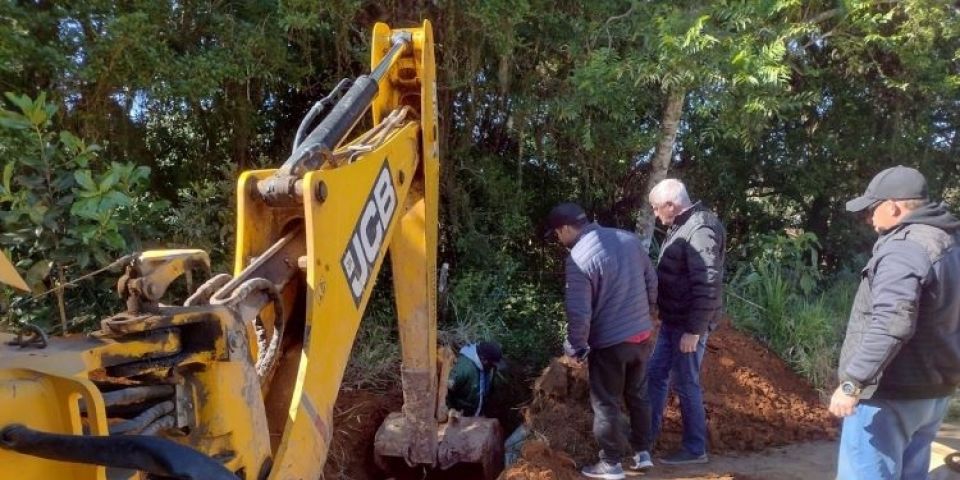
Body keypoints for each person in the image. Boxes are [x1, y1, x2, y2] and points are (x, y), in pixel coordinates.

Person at [831, 165, 960, 480]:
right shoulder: (950, 244)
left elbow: (892, 323)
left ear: (893, 207)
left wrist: (853, 383)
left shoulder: (905, 248)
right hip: (934, 392)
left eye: (872, 209)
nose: (869, 219)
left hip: (890, 394)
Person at [546, 202, 658, 479]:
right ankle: (643, 453)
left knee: (606, 403)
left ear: (566, 229)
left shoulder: (578, 257)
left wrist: (575, 346)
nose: (559, 241)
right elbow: (651, 283)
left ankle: (610, 464)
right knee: (638, 395)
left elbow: (579, 311)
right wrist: (647, 314)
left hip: (610, 343)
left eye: (558, 234)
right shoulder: (629, 240)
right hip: (642, 335)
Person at [646, 178, 725, 465]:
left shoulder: (701, 228)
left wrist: (694, 330)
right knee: (655, 375)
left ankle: (695, 448)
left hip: (688, 324)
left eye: (657, 208)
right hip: (674, 320)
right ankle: (645, 438)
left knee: (685, 382)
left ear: (671, 204)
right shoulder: (683, 225)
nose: (656, 214)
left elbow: (707, 283)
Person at [446, 341, 502, 417]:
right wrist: (451, 411)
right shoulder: (463, 370)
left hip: (477, 416)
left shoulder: (488, 368)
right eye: (492, 365)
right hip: (461, 418)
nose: (493, 367)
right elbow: (446, 392)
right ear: (484, 360)